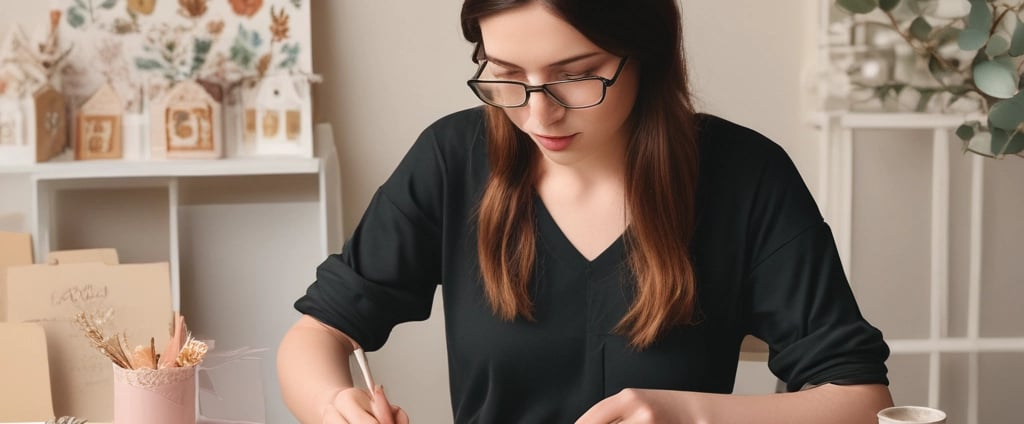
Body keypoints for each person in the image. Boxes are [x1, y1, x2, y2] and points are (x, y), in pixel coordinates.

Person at [277, 0, 894, 422]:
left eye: (577, 77)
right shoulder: (452, 159)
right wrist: (336, 406)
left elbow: (861, 400)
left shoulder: (745, 174)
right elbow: (317, 334)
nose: (537, 116)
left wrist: (690, 413)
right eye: (507, 74)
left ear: (645, 55)